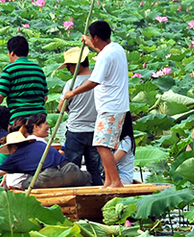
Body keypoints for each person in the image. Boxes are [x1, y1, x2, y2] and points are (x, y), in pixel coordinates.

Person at [62, 20, 130, 188]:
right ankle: (108, 181)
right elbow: (102, 50)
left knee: (101, 144)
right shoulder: (116, 48)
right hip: (117, 105)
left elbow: (94, 81)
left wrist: (73, 92)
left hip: (110, 106)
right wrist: (89, 43)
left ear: (96, 37)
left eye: (92, 39)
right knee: (103, 144)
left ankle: (115, 182)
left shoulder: (104, 56)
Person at [0, 131, 91, 190]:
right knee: (87, 177)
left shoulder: (15, 157)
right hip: (70, 170)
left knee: (25, 183)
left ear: (12, 147)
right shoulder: (39, 143)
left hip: (48, 178)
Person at [57, 47, 103, 186]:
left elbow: (60, 108)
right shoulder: (98, 81)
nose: (68, 70)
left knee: (72, 169)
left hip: (75, 131)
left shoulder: (70, 84)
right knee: (95, 170)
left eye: (69, 66)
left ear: (76, 65)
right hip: (95, 131)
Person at [0, 35, 48, 122]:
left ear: (12, 53)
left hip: (19, 120)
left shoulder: (10, 70)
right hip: (40, 120)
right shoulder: (38, 70)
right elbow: (45, 97)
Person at [114, 113, 136, 185]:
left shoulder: (127, 141)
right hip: (113, 177)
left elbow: (112, 160)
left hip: (123, 179)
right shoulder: (116, 139)